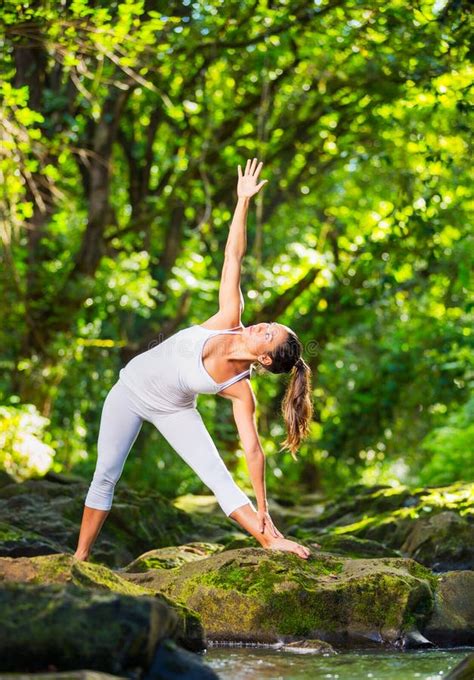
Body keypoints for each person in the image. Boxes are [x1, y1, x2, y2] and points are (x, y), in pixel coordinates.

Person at [74, 157, 315, 562]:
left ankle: (270, 540)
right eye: (268, 323)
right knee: (105, 475)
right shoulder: (228, 319)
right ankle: (78, 561)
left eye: (269, 334)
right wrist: (242, 202)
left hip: (173, 410)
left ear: (268, 360)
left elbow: (252, 451)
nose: (261, 326)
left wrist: (265, 509)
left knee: (219, 478)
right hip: (129, 391)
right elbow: (232, 257)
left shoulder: (241, 391)